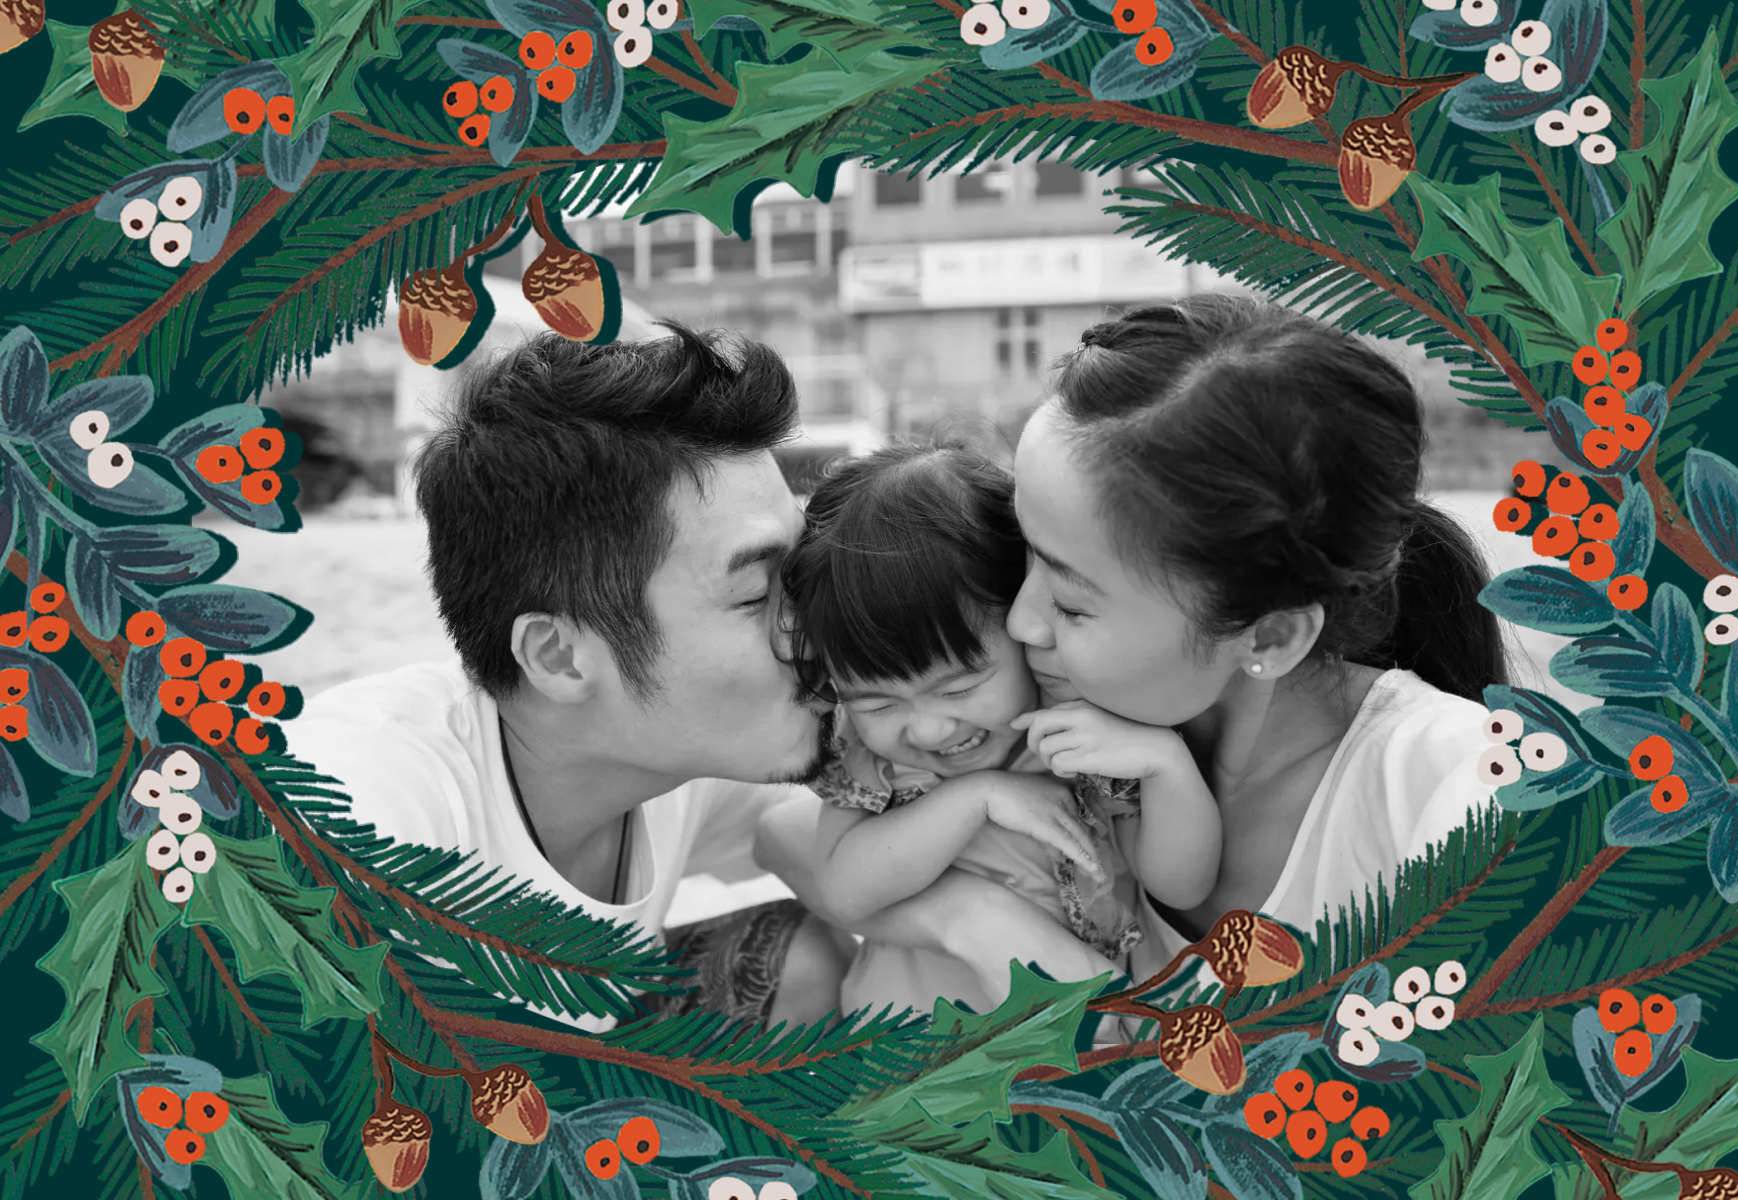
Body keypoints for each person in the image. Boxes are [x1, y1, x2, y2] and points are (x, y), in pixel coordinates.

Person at [282, 325, 1122, 1034]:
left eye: (806, 577)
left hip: (574, 1053)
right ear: (562, 657)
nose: (817, 630)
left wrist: (973, 917)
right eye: (760, 593)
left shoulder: (669, 753)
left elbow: (801, 842)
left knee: (796, 954)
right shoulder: (349, 818)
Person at [758, 292, 1507, 994]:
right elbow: (790, 836)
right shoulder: (1063, 710)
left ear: (1271, 635)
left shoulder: (1461, 789)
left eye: (1073, 603)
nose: (1020, 622)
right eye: (1024, 555)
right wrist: (979, 923)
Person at [779, 441, 1222, 1018]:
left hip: (1065, 1054)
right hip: (909, 1047)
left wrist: (1168, 766)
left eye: (960, 688)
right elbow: (844, 887)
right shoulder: (874, 759)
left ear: (1022, 620)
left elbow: (1180, 885)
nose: (931, 729)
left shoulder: (1080, 741)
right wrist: (978, 797)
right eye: (879, 702)